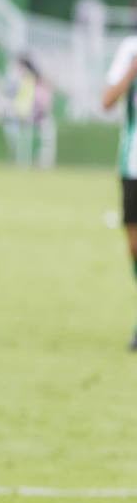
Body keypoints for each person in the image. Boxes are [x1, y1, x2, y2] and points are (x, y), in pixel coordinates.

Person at [101, 23, 137, 350]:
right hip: (133, 165)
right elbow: (107, 100)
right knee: (134, 247)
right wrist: (132, 70)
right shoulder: (129, 48)